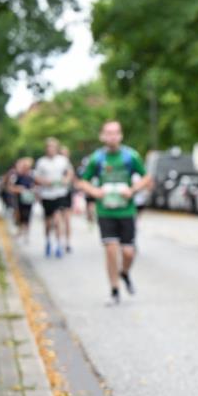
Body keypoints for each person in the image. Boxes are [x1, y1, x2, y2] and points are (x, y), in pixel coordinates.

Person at [76, 121, 153, 306]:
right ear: (102, 136)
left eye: (115, 133)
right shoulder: (97, 158)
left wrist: (132, 190)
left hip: (126, 210)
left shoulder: (130, 156)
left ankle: (124, 272)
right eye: (108, 133)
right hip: (105, 211)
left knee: (128, 252)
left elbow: (147, 177)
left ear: (121, 135)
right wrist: (95, 192)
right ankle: (114, 290)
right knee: (111, 250)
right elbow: (83, 181)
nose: (112, 137)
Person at [34, 137, 73, 258]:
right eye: (49, 147)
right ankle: (48, 241)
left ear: (56, 148)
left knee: (57, 220)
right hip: (46, 195)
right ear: (46, 148)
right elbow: (36, 177)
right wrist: (45, 182)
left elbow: (70, 173)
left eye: (53, 147)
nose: (51, 149)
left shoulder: (62, 160)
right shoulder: (41, 162)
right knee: (48, 222)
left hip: (60, 193)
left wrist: (66, 180)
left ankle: (58, 245)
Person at [10, 157, 36, 242]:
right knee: (20, 217)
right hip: (19, 200)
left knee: (27, 217)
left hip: (28, 200)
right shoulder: (17, 176)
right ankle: (20, 231)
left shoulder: (31, 176)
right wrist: (19, 189)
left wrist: (32, 190)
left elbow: (35, 186)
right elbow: (11, 187)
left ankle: (26, 234)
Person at [59, 145, 76, 253]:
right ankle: (60, 241)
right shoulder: (56, 164)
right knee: (58, 219)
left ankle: (67, 242)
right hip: (56, 195)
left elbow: (71, 177)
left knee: (67, 219)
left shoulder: (68, 165)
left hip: (67, 193)